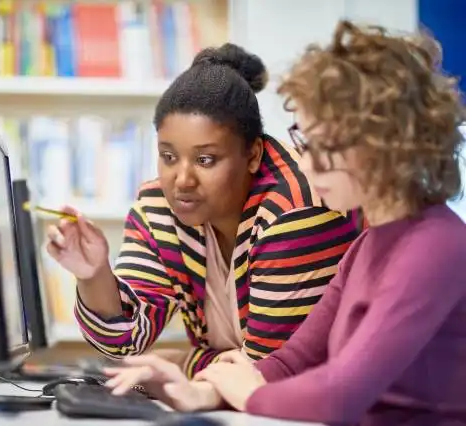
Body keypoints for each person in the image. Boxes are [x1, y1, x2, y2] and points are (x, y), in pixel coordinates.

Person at [107, 20, 466, 425]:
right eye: (302, 141)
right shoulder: (370, 245)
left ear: (380, 146)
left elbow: (338, 396)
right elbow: (292, 361)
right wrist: (201, 391)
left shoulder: (434, 248)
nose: (304, 162)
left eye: (318, 145)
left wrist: (251, 394)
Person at [46, 43, 363, 404]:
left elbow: (269, 374)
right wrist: (94, 275)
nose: (181, 179)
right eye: (168, 156)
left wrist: (180, 361)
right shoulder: (159, 206)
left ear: (253, 155)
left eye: (206, 159)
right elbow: (124, 342)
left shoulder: (295, 210)